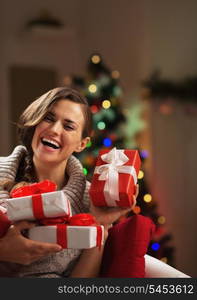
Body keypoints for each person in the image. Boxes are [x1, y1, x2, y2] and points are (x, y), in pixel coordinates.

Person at [0, 87, 137, 277]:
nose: (54, 130)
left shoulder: (91, 201)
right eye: (48, 118)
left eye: (68, 126)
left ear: (82, 144)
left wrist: (100, 225)